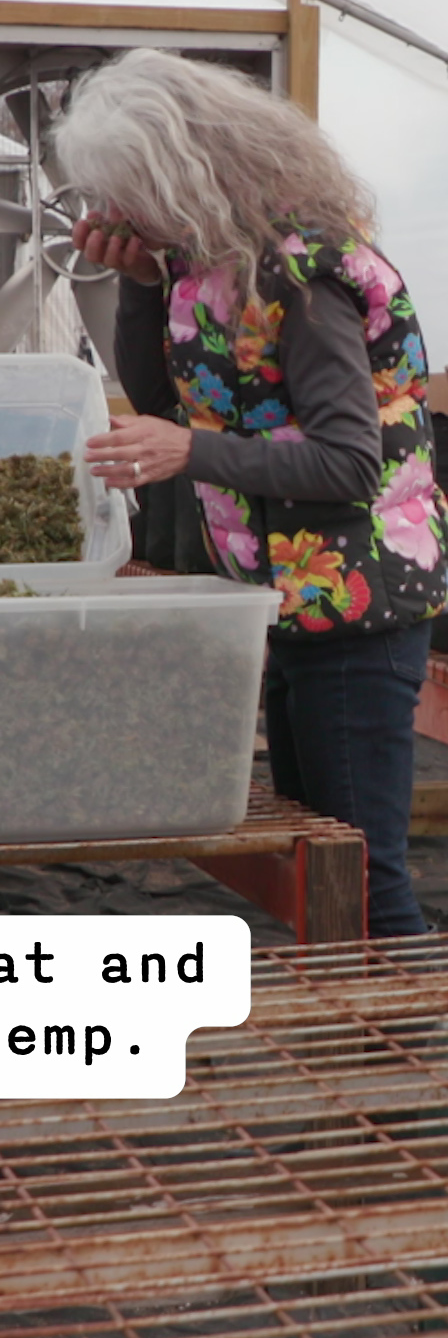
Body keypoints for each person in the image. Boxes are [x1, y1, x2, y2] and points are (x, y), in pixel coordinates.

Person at [54, 47, 447, 939]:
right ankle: (357, 1008)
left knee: (366, 877)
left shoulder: (305, 277)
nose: (117, 216)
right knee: (318, 866)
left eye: (127, 196)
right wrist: (140, 287)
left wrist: (190, 451)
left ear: (183, 172)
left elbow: (350, 464)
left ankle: (411, 1019)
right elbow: (166, 403)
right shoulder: (209, 270)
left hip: (358, 607)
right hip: (291, 600)